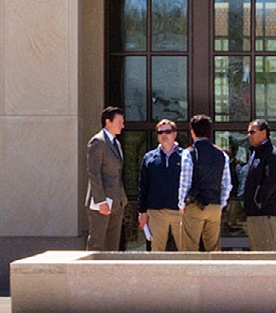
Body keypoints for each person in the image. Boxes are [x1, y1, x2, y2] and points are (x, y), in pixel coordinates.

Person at [178, 112, 236, 251]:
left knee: (189, 248)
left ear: (192, 132)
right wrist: (220, 203)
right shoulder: (221, 154)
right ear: (210, 132)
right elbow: (227, 184)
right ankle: (214, 273)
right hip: (214, 206)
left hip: (194, 205)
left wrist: (181, 204)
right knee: (214, 248)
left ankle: (191, 273)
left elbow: (185, 181)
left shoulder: (189, 153)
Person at [232, 119, 276, 254]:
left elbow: (272, 181)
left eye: (252, 132)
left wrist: (258, 200)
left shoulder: (271, 155)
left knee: (264, 253)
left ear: (263, 133)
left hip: (265, 214)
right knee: (257, 252)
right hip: (255, 214)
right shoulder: (256, 153)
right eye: (248, 132)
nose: (249, 135)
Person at [81, 106, 132, 252]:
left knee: (112, 246)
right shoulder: (98, 142)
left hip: (117, 202)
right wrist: (101, 201)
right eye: (119, 121)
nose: (123, 125)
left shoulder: (117, 143)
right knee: (97, 243)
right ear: (108, 122)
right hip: (102, 203)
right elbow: (94, 173)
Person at [138, 118, 193, 250]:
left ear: (174, 134)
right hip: (156, 212)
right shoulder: (149, 158)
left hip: (180, 212)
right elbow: (143, 186)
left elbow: (192, 182)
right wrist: (142, 212)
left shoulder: (185, 156)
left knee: (186, 251)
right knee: (157, 252)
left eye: (167, 131)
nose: (164, 135)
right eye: (160, 132)